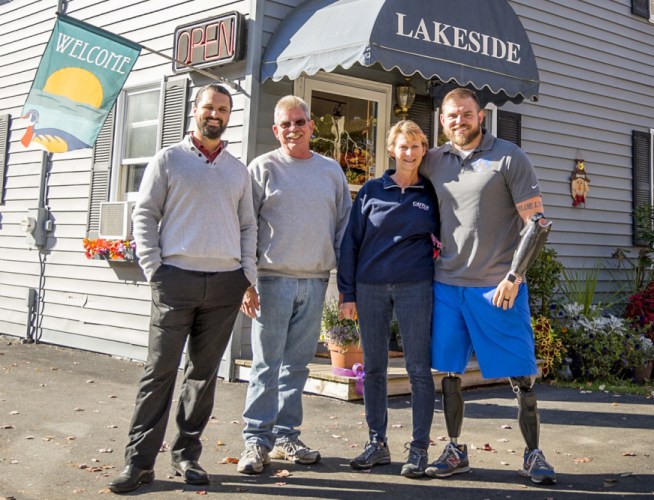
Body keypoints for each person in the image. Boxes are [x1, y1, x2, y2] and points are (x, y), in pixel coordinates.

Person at [108, 84, 258, 494]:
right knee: (158, 373)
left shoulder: (237, 169)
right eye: (209, 106)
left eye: (223, 109)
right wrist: (155, 269)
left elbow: (248, 225)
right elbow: (145, 214)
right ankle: (138, 463)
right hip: (175, 281)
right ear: (195, 111)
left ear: (229, 116)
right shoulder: (168, 159)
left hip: (225, 286)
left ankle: (187, 455)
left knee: (203, 376)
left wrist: (247, 276)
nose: (215, 113)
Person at [420, 88, 555, 485]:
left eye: (465, 113)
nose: (458, 121)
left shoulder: (510, 157)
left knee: (521, 376)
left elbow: (537, 224)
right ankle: (455, 449)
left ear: (481, 116)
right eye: (450, 116)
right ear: (442, 121)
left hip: (498, 287)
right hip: (447, 285)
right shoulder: (432, 161)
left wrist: (514, 277)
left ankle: (533, 454)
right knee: (448, 372)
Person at [237, 95, 352, 475]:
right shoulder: (262, 168)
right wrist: (247, 280)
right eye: (285, 124)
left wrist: (345, 283)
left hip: (316, 280)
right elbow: (246, 226)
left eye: (299, 122)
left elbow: (343, 230)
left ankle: (287, 436)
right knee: (266, 365)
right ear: (276, 129)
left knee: (297, 366)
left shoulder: (332, 171)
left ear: (311, 126)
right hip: (272, 280)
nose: (293, 129)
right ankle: (256, 441)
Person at [338, 120, 440, 478]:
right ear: (392, 151)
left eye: (415, 146)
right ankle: (377, 443)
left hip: (416, 287)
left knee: (418, 370)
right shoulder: (370, 191)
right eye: (403, 146)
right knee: (375, 368)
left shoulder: (432, 193)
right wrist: (347, 293)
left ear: (424, 149)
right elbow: (350, 243)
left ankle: (419, 449)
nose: (409, 153)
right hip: (370, 288)